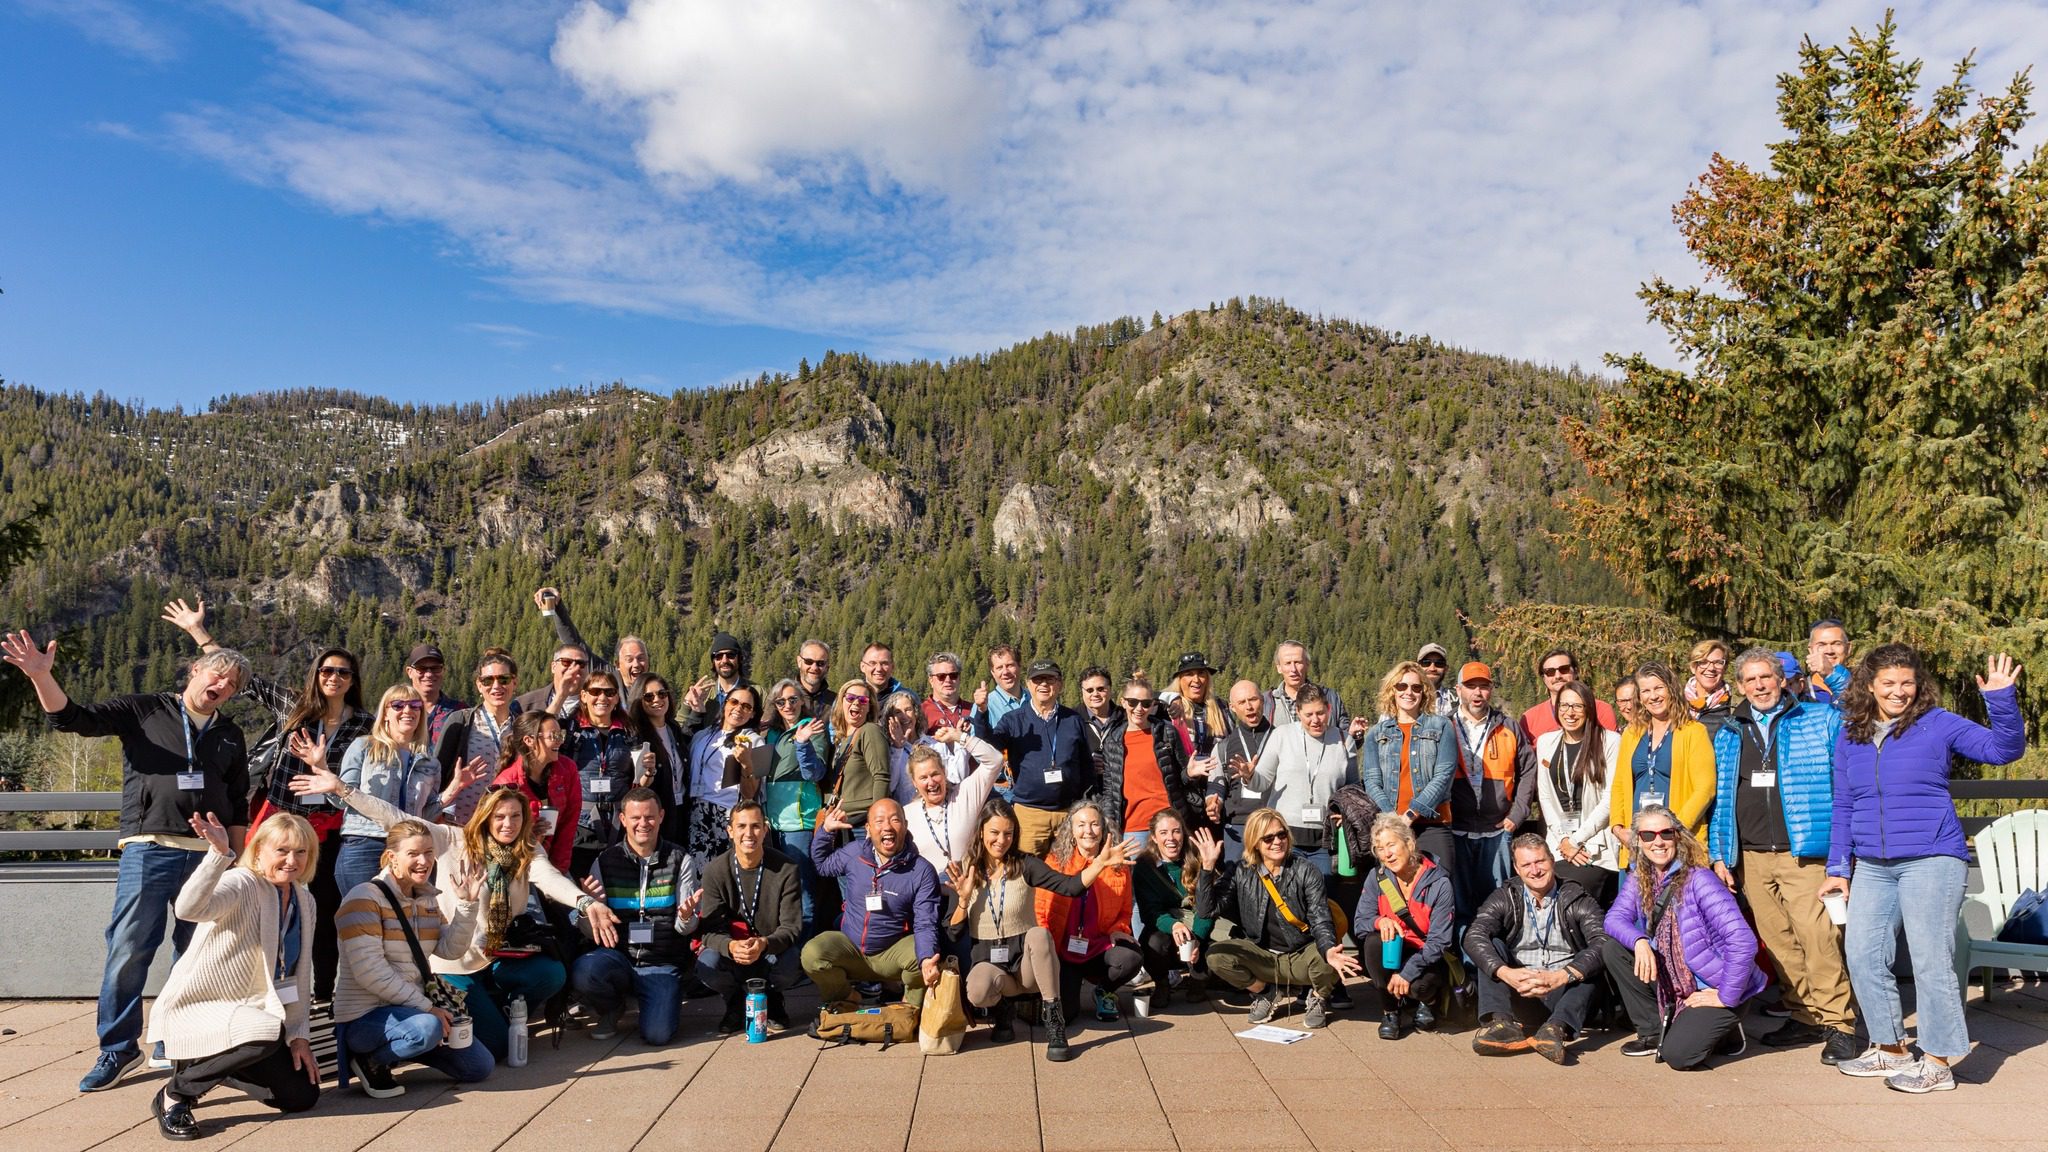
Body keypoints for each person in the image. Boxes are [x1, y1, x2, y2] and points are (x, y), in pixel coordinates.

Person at [1, 629, 254, 1093]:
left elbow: (238, 802)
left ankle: (175, 1038)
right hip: (149, 848)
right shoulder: (144, 709)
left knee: (197, 955)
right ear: (195, 670)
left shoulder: (229, 734)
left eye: (233, 684)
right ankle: (118, 1049)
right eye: (218, 674)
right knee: (128, 949)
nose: (222, 685)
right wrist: (40, 676)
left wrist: (233, 860)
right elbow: (72, 718)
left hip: (209, 860)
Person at [291, 756, 620, 1061]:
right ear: (486, 817)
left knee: (551, 975)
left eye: (515, 816)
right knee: (498, 1047)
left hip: (496, 955)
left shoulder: (526, 850)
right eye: (500, 817)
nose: (508, 824)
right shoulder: (453, 840)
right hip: (453, 962)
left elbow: (548, 877)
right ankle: (459, 1026)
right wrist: (341, 789)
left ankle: (498, 1009)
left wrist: (585, 901)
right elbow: (395, 817)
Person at [1826, 648, 2025, 1093]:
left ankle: (1937, 1062)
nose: (1899, 691)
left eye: (1907, 683)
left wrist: (2001, 701)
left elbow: (2003, 749)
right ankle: (1890, 1049)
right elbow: (1843, 802)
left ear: (1919, 685)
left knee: (1930, 960)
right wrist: (1839, 866)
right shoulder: (1850, 734)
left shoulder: (1938, 723)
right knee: (1862, 954)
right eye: (1888, 683)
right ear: (1870, 686)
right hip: (1873, 865)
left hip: (1933, 857)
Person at [163, 600, 367, 1007]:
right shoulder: (295, 708)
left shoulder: (366, 722)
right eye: (327, 670)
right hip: (278, 822)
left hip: (329, 828)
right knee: (260, 904)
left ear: (352, 680)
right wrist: (198, 632)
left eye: (343, 672)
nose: (334, 677)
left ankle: (322, 996)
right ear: (316, 676)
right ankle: (257, 989)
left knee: (324, 913)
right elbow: (245, 679)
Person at [1707, 647, 1858, 1065]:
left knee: (1819, 937)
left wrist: (1835, 673)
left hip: (1804, 853)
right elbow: (1722, 798)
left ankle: (1839, 1024)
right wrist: (1721, 854)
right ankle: (1805, 1015)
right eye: (1751, 680)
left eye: (1766, 677)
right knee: (1777, 942)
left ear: (1782, 679)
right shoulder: (1729, 732)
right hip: (1752, 855)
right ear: (1740, 686)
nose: (1759, 685)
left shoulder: (1819, 719)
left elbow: (1845, 780)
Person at [143, 812, 320, 1137]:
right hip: (206, 1005)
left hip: (256, 1017)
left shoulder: (304, 900)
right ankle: (176, 1093)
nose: (291, 860)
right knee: (264, 1031)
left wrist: (299, 1035)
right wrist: (217, 856)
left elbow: (299, 973)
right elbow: (188, 909)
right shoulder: (241, 881)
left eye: (301, 851)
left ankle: (219, 1065)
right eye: (282, 851)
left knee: (302, 1096)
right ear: (260, 850)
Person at [950, 798, 1120, 1059]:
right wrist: (963, 901)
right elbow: (953, 932)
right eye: (994, 833)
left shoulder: (1025, 864)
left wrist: (1097, 865)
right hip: (990, 961)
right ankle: (1004, 1009)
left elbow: (1070, 887)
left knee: (1039, 934)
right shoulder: (967, 869)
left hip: (1025, 964)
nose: (1001, 840)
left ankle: (1054, 1021)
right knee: (977, 992)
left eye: (1009, 833)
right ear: (981, 831)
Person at [333, 819, 491, 1097]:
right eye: (414, 854)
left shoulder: (427, 899)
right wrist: (426, 1007)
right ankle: (369, 1060)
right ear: (391, 858)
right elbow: (370, 972)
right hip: (364, 1016)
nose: (424, 861)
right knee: (426, 1029)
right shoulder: (363, 898)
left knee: (479, 1067)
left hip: (411, 1012)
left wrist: (467, 906)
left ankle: (405, 1047)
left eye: (429, 852)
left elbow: (449, 950)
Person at [1601, 805, 1765, 1069]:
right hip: (1675, 979)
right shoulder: (1641, 877)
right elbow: (1613, 919)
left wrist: (1726, 995)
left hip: (1713, 985)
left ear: (1678, 836)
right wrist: (1639, 941)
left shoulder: (1700, 880)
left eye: (1666, 833)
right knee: (1614, 949)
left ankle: (1726, 1029)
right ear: (1638, 841)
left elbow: (1743, 941)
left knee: (1679, 1056)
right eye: (1648, 835)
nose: (1658, 841)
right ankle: (1655, 1031)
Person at [1194, 809, 1359, 1028]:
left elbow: (1320, 916)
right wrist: (1207, 868)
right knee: (1216, 956)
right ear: (1255, 842)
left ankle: (1318, 997)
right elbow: (1207, 911)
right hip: (1263, 954)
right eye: (1268, 838)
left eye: (1281, 835)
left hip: (1301, 952)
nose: (1277, 842)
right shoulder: (1239, 871)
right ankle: (1265, 992)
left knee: (1329, 954)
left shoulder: (1306, 870)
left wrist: (1328, 949)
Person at [568, 788, 702, 1043]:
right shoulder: (605, 860)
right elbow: (589, 931)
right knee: (585, 970)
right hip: (618, 956)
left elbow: (686, 928)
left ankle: (658, 1000)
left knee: (658, 1035)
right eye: (636, 817)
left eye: (650, 817)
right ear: (623, 819)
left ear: (661, 816)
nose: (643, 824)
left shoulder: (679, 859)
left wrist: (686, 917)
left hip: (661, 962)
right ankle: (611, 1008)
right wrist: (588, 909)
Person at [1466, 835, 1608, 1063]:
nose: (1535, 870)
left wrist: (1561, 976)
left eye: (1540, 861)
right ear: (1516, 868)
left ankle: (1555, 1030)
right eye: (1526, 865)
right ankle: (1502, 1025)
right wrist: (1507, 974)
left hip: (1564, 993)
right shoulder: (1505, 896)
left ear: (1552, 861)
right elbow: (1474, 935)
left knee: (1591, 963)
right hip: (1519, 991)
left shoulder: (1578, 897)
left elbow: (1602, 941)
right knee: (1491, 946)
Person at [335, 684, 475, 900]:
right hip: (366, 844)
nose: (407, 710)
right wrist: (327, 778)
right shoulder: (363, 747)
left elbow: (422, 818)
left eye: (415, 705)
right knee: (363, 918)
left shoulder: (430, 763)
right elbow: (341, 800)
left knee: (408, 920)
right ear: (385, 714)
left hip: (409, 849)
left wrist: (454, 788)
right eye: (398, 705)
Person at [801, 799, 943, 1010]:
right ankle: (847, 997)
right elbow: (822, 865)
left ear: (905, 825)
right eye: (879, 821)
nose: (887, 827)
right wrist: (826, 831)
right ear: (868, 828)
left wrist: (927, 959)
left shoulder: (921, 871)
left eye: (895, 820)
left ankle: (910, 1008)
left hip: (891, 952)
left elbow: (925, 922)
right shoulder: (854, 852)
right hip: (852, 949)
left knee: (922, 955)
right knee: (812, 954)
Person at [1035, 800, 1147, 1022]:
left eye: (1094, 824)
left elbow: (1125, 911)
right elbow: (1041, 909)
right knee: (1067, 1015)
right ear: (1072, 831)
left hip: (1098, 946)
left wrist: (1118, 929)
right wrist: (1047, 952)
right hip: (1065, 950)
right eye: (1081, 825)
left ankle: (1104, 991)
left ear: (1103, 828)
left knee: (1131, 957)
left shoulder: (1118, 865)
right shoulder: (1056, 861)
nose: (1088, 831)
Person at [1445, 661, 1534, 930]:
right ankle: (1466, 968)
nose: (1477, 693)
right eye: (1471, 686)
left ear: (1491, 690)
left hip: (1496, 833)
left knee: (1497, 908)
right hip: (1456, 831)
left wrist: (1517, 815)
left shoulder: (1508, 726)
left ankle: (1494, 968)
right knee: (1458, 907)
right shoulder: (1443, 726)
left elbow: (1528, 771)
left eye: (1483, 686)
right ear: (1458, 689)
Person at [974, 660, 1093, 854]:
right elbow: (989, 742)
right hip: (1029, 814)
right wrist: (981, 711)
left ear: (1060, 684)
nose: (1044, 685)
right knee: (1027, 875)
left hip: (1068, 813)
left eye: (1050, 679)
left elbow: (1086, 766)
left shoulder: (1073, 720)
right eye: (1038, 680)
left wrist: (1081, 804)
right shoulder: (1013, 720)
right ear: (1028, 684)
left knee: (1069, 874)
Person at [1359, 813, 1457, 1039]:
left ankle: (1428, 1000)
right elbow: (1360, 923)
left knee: (1418, 987)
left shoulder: (1439, 882)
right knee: (1373, 942)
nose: (1387, 854)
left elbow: (1440, 941)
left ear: (1409, 844)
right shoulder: (1377, 878)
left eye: (1391, 845)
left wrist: (1406, 973)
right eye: (1380, 848)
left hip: (1426, 954)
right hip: (1393, 951)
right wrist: (1379, 920)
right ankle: (1390, 1010)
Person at [1356, 662, 1458, 880]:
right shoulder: (1376, 733)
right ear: (1392, 690)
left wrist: (1411, 814)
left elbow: (1444, 776)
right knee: (1394, 893)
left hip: (1433, 825)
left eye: (1416, 687)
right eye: (1402, 686)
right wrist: (1393, 818)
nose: (1408, 692)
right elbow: (1371, 780)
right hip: (1391, 827)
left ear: (1424, 692)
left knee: (1440, 887)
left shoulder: (1442, 726)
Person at [1530, 681, 1622, 904]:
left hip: (1595, 844)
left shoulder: (1609, 741)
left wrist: (1577, 840)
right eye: (1564, 706)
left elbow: (1610, 799)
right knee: (1538, 891)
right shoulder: (1546, 742)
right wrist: (1564, 840)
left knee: (1570, 897)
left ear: (1589, 708)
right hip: (1559, 843)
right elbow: (1545, 797)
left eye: (1577, 706)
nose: (1569, 713)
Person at [1611, 662, 1715, 852]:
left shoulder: (1694, 732)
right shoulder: (1631, 734)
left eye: (1659, 688)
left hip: (1678, 840)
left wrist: (1672, 830)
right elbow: (1619, 784)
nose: (1653, 696)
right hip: (1637, 840)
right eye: (1646, 691)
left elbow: (1705, 789)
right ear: (1640, 697)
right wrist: (1618, 828)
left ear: (1672, 689)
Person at [1249, 691, 1352, 874]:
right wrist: (1248, 776)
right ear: (1298, 712)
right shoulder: (1282, 735)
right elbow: (1261, 782)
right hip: (1283, 838)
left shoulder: (1344, 740)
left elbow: (1352, 789)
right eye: (1309, 715)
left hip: (1324, 840)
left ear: (1329, 709)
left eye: (1320, 713)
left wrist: (1346, 812)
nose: (1316, 720)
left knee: (1322, 895)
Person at [760, 680, 831, 941]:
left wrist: (803, 743)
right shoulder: (770, 733)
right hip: (772, 823)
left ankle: (805, 952)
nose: (788, 705)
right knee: (778, 891)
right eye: (781, 701)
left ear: (802, 700)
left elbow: (815, 772)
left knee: (803, 891)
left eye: (793, 699)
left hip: (800, 822)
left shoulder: (814, 729)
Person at [432, 649, 523, 826]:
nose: (496, 686)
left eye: (503, 679)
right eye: (488, 680)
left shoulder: (521, 726)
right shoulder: (462, 720)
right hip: (461, 824)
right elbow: (438, 772)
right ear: (479, 685)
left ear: (514, 682)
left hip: (506, 826)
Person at [1099, 676, 1192, 846]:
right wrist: (1109, 826)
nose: (1139, 708)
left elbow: (1183, 777)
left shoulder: (1167, 733)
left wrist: (1192, 774)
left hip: (1169, 823)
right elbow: (1109, 791)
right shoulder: (1112, 741)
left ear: (1153, 705)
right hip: (1133, 828)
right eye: (1133, 702)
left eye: (1146, 703)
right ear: (1123, 702)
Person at [1133, 808, 1214, 995]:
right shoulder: (1145, 866)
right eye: (1163, 833)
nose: (1171, 838)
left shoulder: (1198, 858)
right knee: (1152, 942)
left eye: (1176, 831)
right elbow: (1149, 912)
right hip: (1168, 928)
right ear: (1153, 837)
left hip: (1198, 923)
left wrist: (1197, 939)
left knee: (1214, 942)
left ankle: (1199, 978)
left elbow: (1207, 906)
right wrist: (1174, 926)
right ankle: (1162, 984)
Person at [563, 670, 635, 878]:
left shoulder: (629, 732)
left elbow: (638, 780)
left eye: (609, 692)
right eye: (595, 691)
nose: (602, 697)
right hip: (581, 824)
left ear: (616, 697)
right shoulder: (571, 731)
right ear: (583, 696)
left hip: (619, 822)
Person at [491, 712, 581, 875]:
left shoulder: (567, 769)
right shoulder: (507, 783)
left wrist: (557, 871)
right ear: (529, 740)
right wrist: (531, 835)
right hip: (516, 868)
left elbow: (569, 823)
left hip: (554, 864)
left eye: (561, 734)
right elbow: (497, 841)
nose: (560, 740)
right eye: (553, 735)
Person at [682, 684, 765, 861]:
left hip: (729, 815)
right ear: (725, 704)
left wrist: (746, 764)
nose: (738, 709)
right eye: (734, 702)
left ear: (753, 714)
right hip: (698, 811)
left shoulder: (757, 742)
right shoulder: (703, 735)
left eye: (746, 706)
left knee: (727, 873)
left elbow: (751, 793)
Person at [904, 741, 1003, 878]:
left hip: (970, 888)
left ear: (944, 773)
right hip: (928, 894)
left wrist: (960, 736)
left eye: (935, 774)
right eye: (923, 778)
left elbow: (995, 760)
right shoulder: (906, 814)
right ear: (914, 782)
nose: (931, 782)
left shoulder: (963, 795)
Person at [1208, 679, 1276, 863]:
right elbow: (1216, 783)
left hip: (1275, 825)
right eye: (1242, 702)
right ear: (1232, 707)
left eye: (1253, 700)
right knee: (1237, 885)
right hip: (1238, 827)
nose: (1249, 707)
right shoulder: (1224, 746)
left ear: (1262, 701)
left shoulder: (1282, 739)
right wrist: (1213, 802)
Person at [626, 672, 693, 847]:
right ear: (639, 701)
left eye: (662, 694)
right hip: (656, 816)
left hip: (682, 810)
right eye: (648, 696)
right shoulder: (636, 735)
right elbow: (637, 784)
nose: (657, 699)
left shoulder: (673, 728)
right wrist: (649, 772)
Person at [531, 586, 650, 683]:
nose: (636, 664)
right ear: (618, 664)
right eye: (629, 659)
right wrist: (557, 606)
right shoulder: (610, 678)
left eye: (641, 658)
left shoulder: (656, 693)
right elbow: (574, 643)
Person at [1518, 648, 1619, 743]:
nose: (1558, 676)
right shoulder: (1529, 718)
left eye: (1564, 669)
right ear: (1544, 678)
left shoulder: (1601, 710)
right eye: (1550, 672)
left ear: (1575, 672)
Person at [827, 678, 890, 829]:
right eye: (850, 698)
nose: (856, 703)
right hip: (842, 821)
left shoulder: (869, 731)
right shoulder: (841, 740)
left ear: (870, 707)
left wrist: (876, 821)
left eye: (863, 700)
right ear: (841, 702)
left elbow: (882, 776)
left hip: (862, 823)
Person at [1168, 651, 1226, 785]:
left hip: (1216, 784)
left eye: (1201, 673)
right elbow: (1141, 700)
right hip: (1181, 786)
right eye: (1189, 674)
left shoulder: (1222, 708)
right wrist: (1172, 698)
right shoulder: (1169, 708)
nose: (1196, 679)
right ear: (1179, 680)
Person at [1263, 640, 1346, 729]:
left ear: (1307, 665)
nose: (1293, 669)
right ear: (1279, 668)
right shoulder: (1265, 702)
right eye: (1288, 663)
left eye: (1297, 662)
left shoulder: (1330, 697)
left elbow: (1345, 735)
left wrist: (1355, 736)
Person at [684, 632, 757, 730]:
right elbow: (680, 730)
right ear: (713, 662)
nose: (724, 660)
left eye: (730, 655)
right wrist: (687, 704)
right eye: (718, 656)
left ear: (739, 658)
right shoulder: (702, 693)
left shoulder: (756, 692)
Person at [403, 644, 469, 749]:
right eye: (421, 669)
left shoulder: (461, 712)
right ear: (409, 672)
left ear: (443, 671)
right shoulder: (397, 710)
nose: (429, 674)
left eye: (435, 668)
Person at [514, 645, 589, 722]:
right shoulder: (524, 704)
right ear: (553, 667)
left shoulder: (596, 703)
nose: (573, 668)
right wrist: (561, 696)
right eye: (566, 662)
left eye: (580, 663)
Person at [1684, 640, 1734, 738]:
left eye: (1718, 662)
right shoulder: (1676, 702)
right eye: (1703, 662)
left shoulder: (1734, 707)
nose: (1711, 668)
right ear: (1693, 667)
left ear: (1725, 668)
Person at [921, 651, 973, 734]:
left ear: (959, 678)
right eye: (941, 676)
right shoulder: (922, 712)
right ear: (931, 681)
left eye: (953, 675)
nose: (948, 680)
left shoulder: (973, 710)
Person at [1803, 619, 1853, 704]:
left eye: (1836, 644)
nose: (1829, 651)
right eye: (1821, 645)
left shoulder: (1865, 684)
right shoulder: (1800, 690)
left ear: (1848, 648)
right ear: (1810, 650)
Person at [980, 645, 1026, 729]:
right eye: (999, 668)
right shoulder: (985, 706)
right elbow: (976, 740)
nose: (1005, 672)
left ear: (1019, 666)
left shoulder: (1034, 698)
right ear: (993, 673)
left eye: (1010, 665)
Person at [793, 639, 835, 721]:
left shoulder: (835, 702)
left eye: (820, 663)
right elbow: (765, 731)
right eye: (808, 661)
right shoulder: (781, 698)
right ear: (799, 662)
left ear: (827, 667)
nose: (814, 667)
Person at [1415, 643, 1459, 718]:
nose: (1432, 668)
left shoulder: (1456, 699)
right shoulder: (1406, 698)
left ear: (1446, 669)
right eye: (1426, 663)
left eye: (1439, 664)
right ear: (1417, 667)